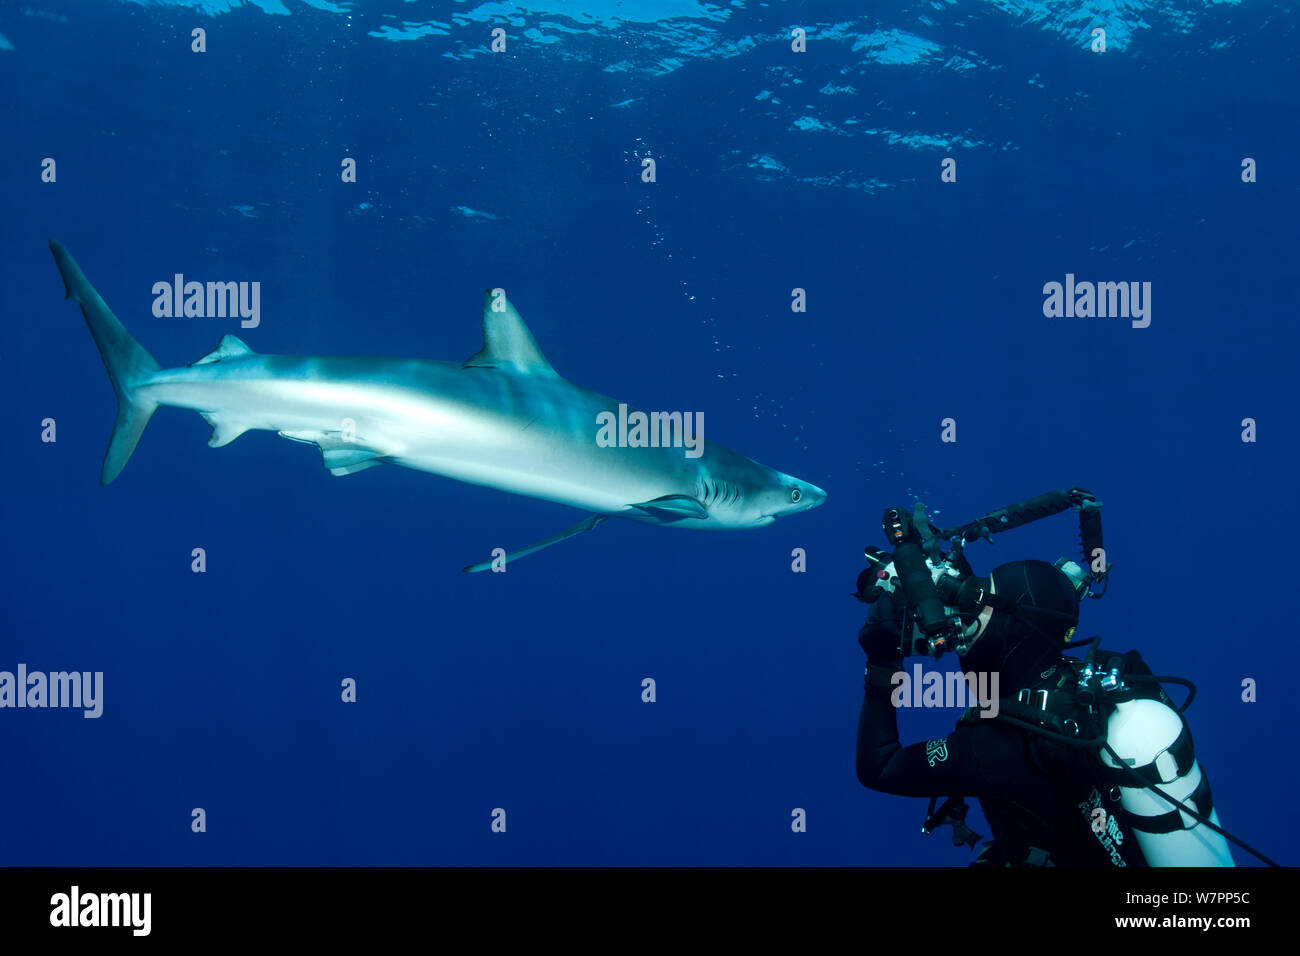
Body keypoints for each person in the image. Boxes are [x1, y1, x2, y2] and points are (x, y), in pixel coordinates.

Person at [855, 559, 1152, 866]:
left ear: (1015, 624)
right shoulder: (1106, 673)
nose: (966, 608)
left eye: (981, 596)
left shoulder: (991, 745)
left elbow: (879, 767)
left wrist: (882, 663)